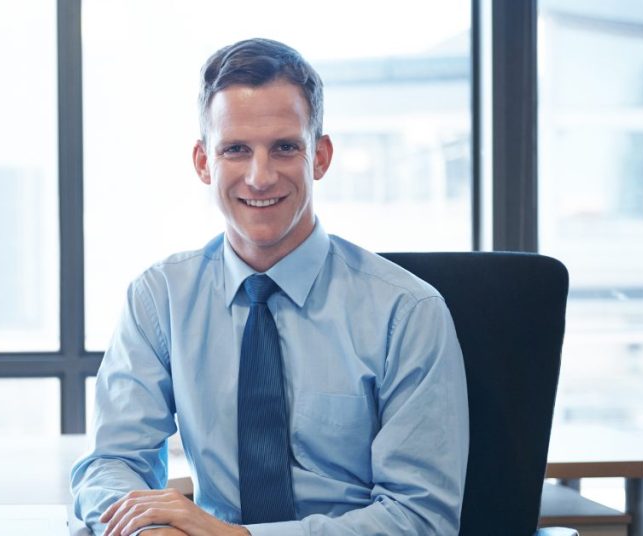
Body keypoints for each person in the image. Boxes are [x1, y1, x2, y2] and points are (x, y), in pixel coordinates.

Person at [70, 38, 469, 536]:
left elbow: (421, 519)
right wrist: (148, 527)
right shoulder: (161, 298)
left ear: (320, 157)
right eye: (236, 149)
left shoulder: (407, 312)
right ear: (203, 162)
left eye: (285, 147)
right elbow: (111, 462)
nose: (260, 177)